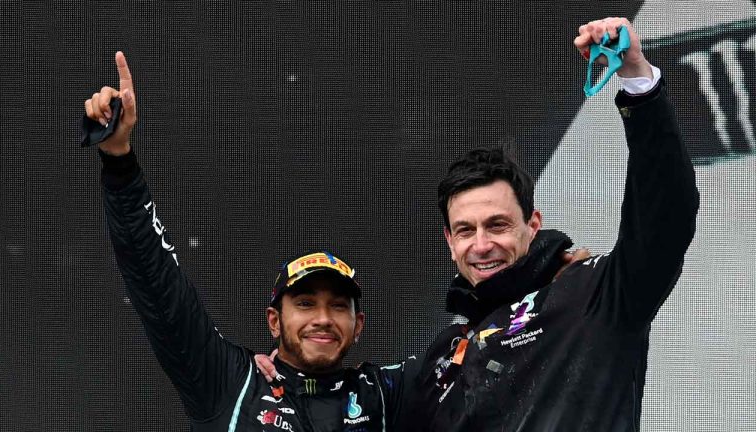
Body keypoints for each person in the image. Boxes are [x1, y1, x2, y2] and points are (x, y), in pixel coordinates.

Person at [394, 17, 699, 431]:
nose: (481, 245)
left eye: (498, 225)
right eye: (466, 230)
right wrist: (276, 375)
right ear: (449, 241)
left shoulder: (597, 293)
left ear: (532, 224)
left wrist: (638, 83)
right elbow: (348, 396)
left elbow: (666, 215)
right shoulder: (441, 355)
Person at [86, 52, 418, 431]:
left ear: (359, 325)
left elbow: (486, 351)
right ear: (274, 321)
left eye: (339, 306)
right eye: (305, 303)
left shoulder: (383, 394)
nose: (323, 319)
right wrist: (117, 160)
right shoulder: (231, 383)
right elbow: (157, 284)